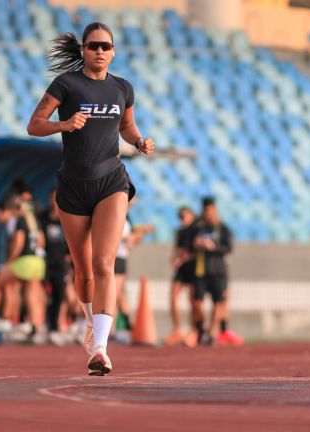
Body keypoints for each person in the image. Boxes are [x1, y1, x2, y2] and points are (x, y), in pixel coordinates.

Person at [27, 22, 154, 375]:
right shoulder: (67, 84)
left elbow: (126, 127)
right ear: (83, 49)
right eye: (94, 45)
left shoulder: (122, 88)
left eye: (106, 46)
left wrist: (139, 141)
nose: (100, 51)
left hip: (111, 182)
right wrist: (63, 125)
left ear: (113, 51)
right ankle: (89, 323)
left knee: (103, 264)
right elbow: (34, 124)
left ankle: (100, 348)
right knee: (82, 273)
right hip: (72, 187)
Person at [0, 200, 47, 343]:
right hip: (38, 262)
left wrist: (9, 261)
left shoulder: (20, 221)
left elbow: (18, 243)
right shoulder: (34, 222)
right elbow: (41, 242)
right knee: (32, 295)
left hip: (24, 262)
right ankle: (35, 327)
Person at [188, 197, 243, 346]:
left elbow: (229, 248)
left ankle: (212, 333)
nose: (208, 214)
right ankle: (201, 329)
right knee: (196, 302)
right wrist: (196, 243)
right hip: (200, 271)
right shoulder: (197, 228)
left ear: (215, 210)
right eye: (206, 211)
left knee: (218, 303)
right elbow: (188, 246)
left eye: (210, 210)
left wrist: (213, 246)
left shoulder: (223, 229)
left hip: (218, 271)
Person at [113, 203, 154, 343]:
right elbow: (124, 238)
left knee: (117, 295)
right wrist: (138, 234)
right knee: (114, 295)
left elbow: (129, 241)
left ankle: (122, 328)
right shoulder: (117, 215)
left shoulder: (126, 217)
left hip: (120, 258)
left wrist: (139, 235)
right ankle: (114, 330)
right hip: (115, 258)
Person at [38, 190, 70, 339]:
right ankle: (40, 325)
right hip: (44, 262)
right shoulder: (42, 218)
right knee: (43, 295)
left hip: (61, 263)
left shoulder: (67, 218)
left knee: (59, 295)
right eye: (52, 198)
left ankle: (55, 327)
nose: (54, 201)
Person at [164, 206, 196, 346]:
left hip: (193, 268)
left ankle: (192, 331)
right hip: (182, 270)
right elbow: (178, 249)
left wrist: (182, 258)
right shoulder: (180, 232)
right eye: (181, 217)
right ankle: (177, 329)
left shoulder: (197, 230)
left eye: (185, 216)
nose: (183, 219)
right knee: (173, 297)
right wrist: (175, 258)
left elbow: (196, 251)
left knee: (193, 301)